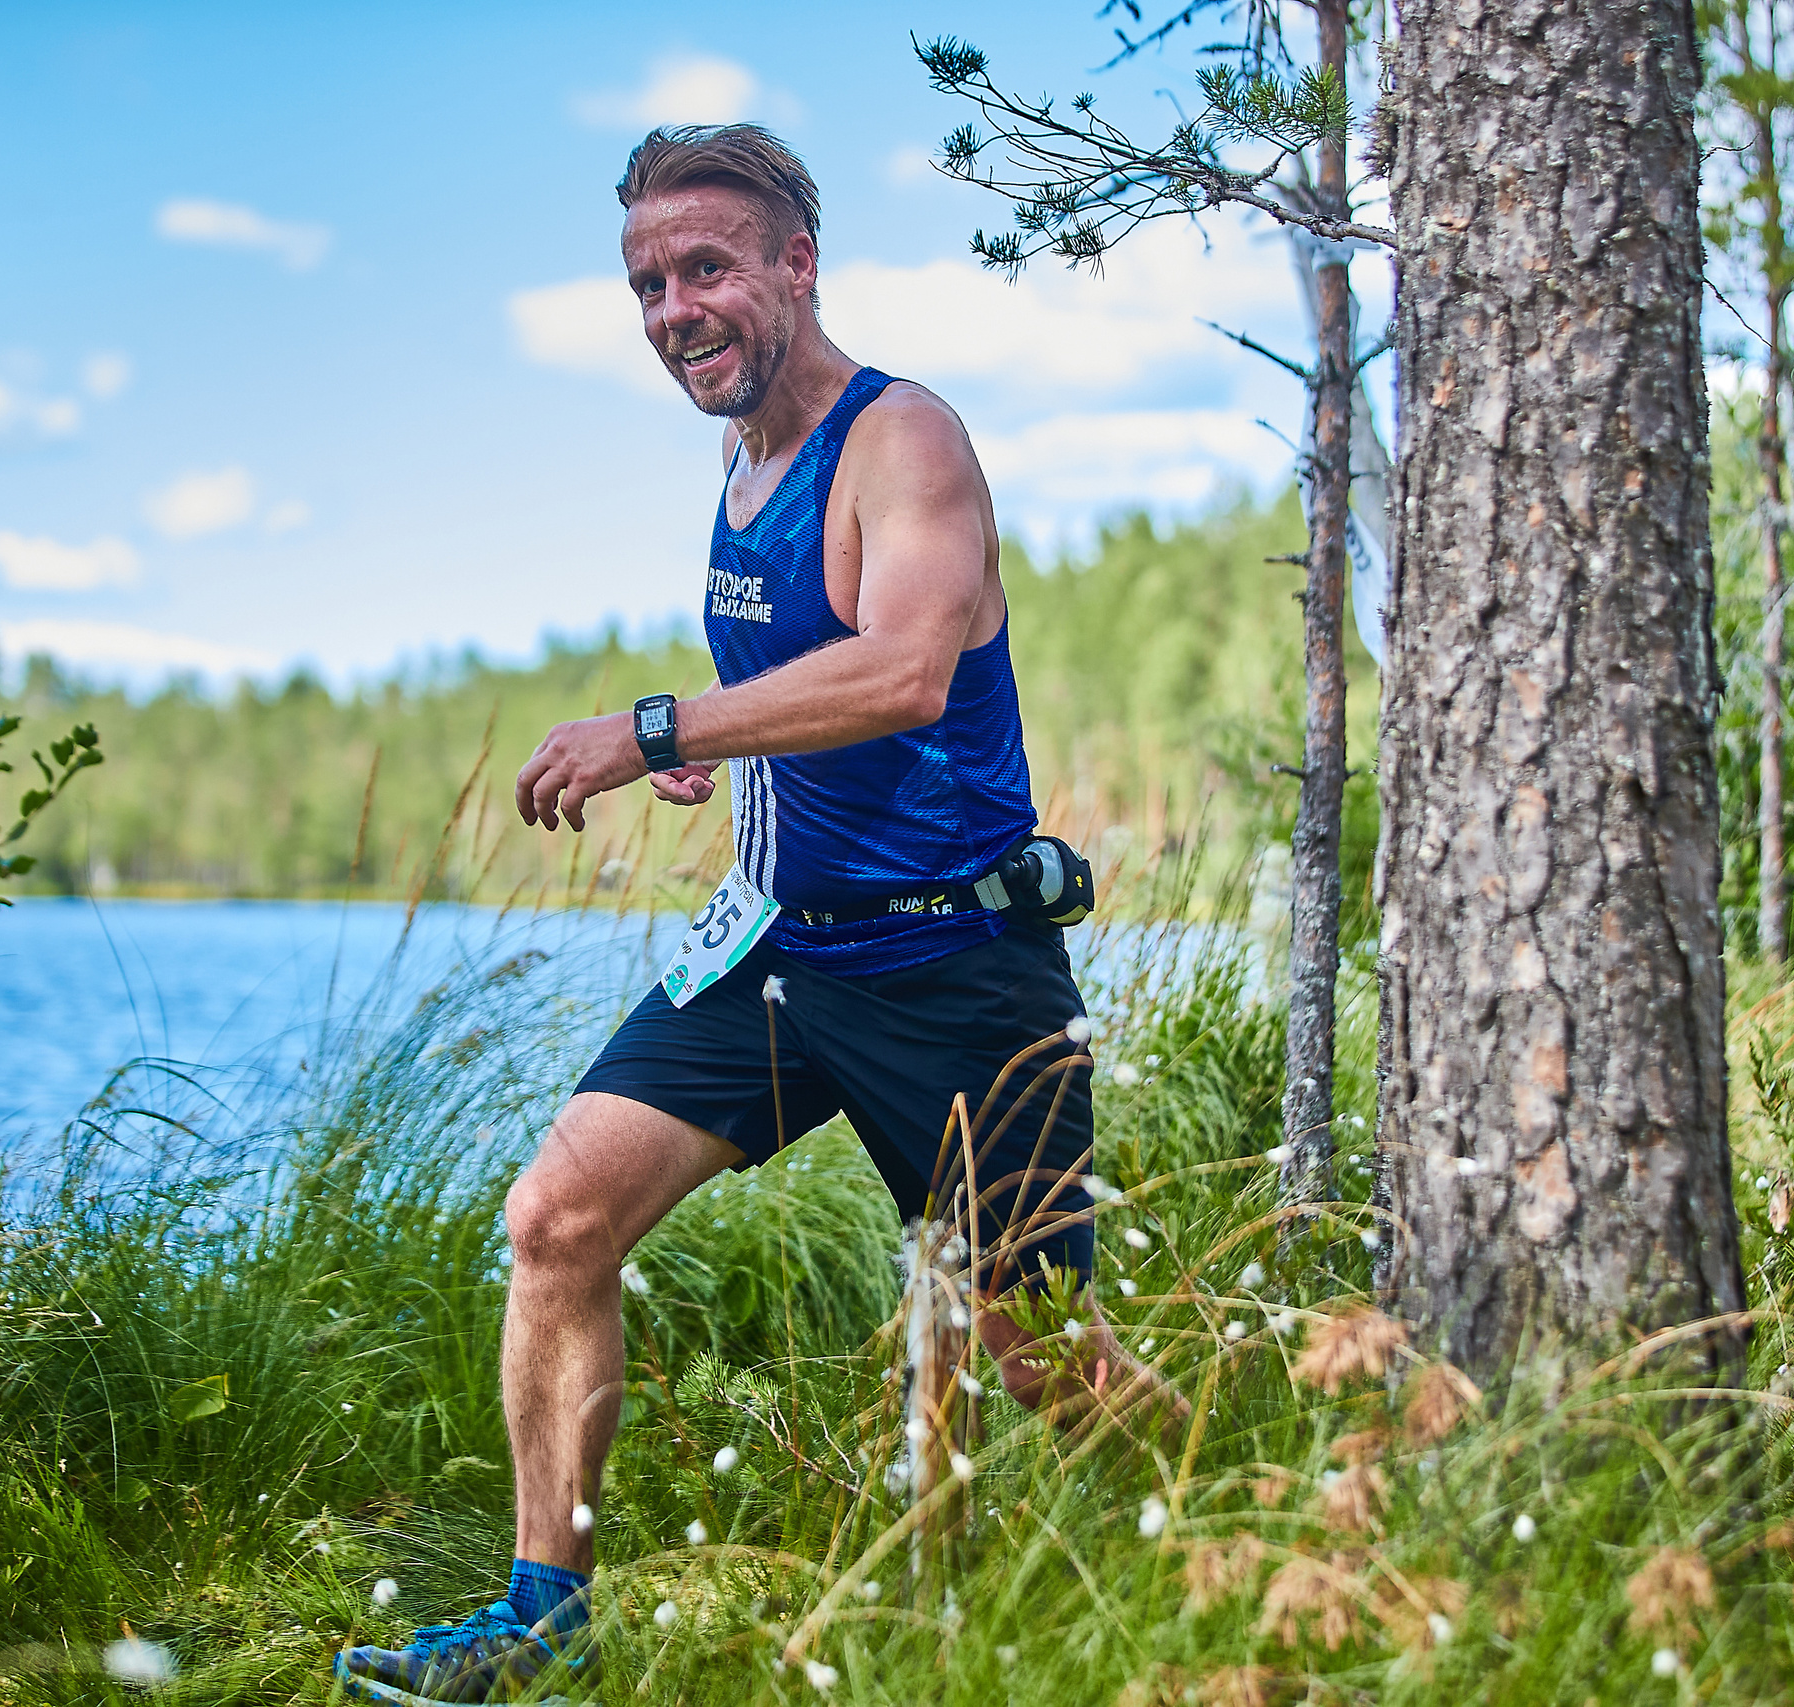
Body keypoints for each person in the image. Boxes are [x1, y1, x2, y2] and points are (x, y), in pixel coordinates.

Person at [335, 124, 1167, 1707]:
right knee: (555, 1219)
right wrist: (733, 760)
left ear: (798, 261)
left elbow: (909, 666)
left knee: (1038, 1354)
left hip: (955, 968)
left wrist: (661, 733)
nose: (673, 309)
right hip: (780, 958)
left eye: (705, 268)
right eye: (648, 282)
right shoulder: (743, 461)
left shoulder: (904, 441)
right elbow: (819, 683)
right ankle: (539, 1625)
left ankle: (1243, 1502)